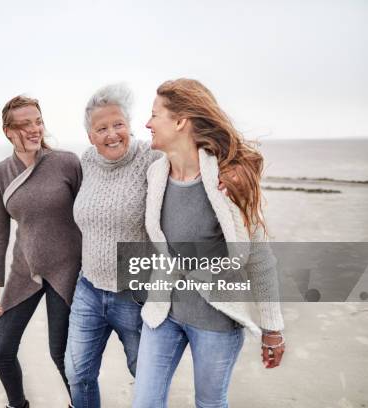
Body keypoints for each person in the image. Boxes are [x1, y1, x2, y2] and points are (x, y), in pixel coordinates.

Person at [134, 78, 286, 408]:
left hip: (217, 320)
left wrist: (272, 329)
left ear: (180, 121)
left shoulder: (228, 180)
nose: (146, 123)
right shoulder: (156, 174)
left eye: (154, 114)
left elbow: (260, 258)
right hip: (163, 314)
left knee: (209, 403)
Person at [64, 84, 162, 408]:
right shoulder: (87, 161)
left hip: (134, 295)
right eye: (101, 128)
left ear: (129, 125)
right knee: (78, 374)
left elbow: (194, 158)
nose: (111, 134)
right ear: (90, 136)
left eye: (118, 124)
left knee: (145, 375)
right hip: (88, 288)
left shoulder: (152, 157)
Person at [0, 95, 82, 408]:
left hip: (66, 270)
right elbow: (0, 231)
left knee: (61, 354)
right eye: (24, 124)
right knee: (1, 349)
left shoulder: (66, 163)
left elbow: (90, 215)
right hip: (24, 270)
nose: (34, 129)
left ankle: (78, 404)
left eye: (38, 121)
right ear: (8, 131)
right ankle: (17, 405)